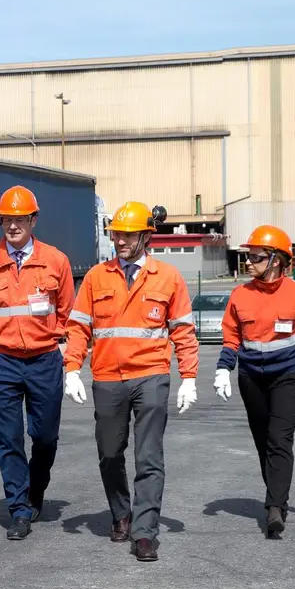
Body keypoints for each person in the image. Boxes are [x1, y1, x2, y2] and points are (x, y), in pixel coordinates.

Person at [63, 201, 198, 562]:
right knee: (110, 453)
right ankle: (121, 512)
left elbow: (183, 331)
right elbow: (78, 327)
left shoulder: (168, 277)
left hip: (151, 376)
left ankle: (144, 533)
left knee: (148, 457)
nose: (120, 240)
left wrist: (188, 377)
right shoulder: (96, 277)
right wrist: (71, 368)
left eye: (127, 234)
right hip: (107, 377)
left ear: (145, 236)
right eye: (116, 234)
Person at [0, 186, 74, 541]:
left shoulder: (56, 260)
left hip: (44, 359)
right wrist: (1, 335)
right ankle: (18, 508)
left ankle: (36, 488)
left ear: (33, 220)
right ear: (0, 221)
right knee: (8, 438)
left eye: (20, 219)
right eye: (7, 220)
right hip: (1, 361)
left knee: (44, 437)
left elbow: (68, 311)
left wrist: (51, 339)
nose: (13, 226)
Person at [215, 225, 295, 539]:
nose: (249, 263)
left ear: (277, 260)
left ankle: (275, 507)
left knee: (279, 439)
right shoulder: (240, 294)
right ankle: (277, 494)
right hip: (251, 377)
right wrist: (222, 369)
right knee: (262, 440)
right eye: (248, 256)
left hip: (289, 376)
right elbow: (230, 336)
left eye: (256, 257)